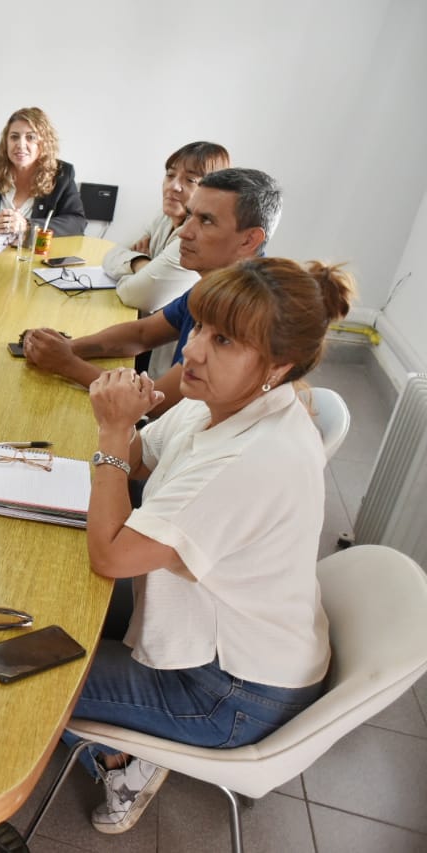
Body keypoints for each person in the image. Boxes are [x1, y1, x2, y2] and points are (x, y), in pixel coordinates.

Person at [71, 258, 356, 835]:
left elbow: (112, 555)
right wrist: (124, 429)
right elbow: (139, 461)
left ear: (277, 364)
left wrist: (108, 433)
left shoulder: (256, 457)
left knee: (29, 687)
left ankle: (133, 760)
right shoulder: (219, 402)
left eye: (223, 340)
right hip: (223, 631)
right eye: (198, 327)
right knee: (47, 592)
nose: (193, 352)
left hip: (229, 693)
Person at [23, 167, 281, 415]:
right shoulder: (217, 283)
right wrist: (68, 347)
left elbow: (157, 401)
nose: (184, 232)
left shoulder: (249, 309)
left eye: (206, 221)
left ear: (249, 240)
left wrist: (66, 364)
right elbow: (142, 334)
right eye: (190, 215)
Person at [102, 141, 231, 315]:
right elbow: (110, 256)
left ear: (212, 191)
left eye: (190, 180)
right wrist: (142, 264)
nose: (173, 186)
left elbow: (136, 296)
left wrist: (135, 268)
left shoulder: (198, 238)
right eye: (170, 175)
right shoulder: (164, 216)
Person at [0, 107, 86, 238]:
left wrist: (27, 226)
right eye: (14, 137)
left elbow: (77, 222)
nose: (20, 144)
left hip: (32, 257)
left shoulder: (61, 174)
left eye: (30, 137)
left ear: (44, 144)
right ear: (6, 141)